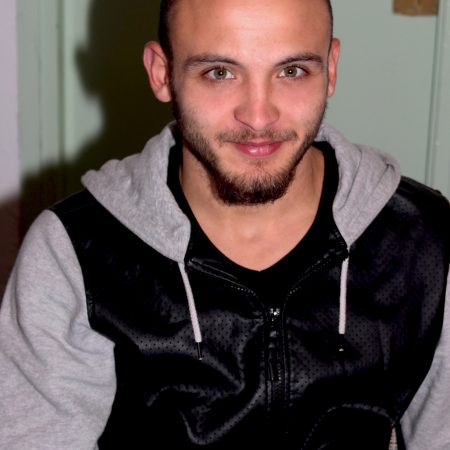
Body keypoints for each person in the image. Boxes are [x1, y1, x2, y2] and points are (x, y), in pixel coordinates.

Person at [0, 0, 449, 448]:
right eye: (219, 73)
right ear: (161, 73)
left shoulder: (421, 237)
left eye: (291, 71)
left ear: (330, 68)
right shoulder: (77, 252)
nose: (258, 117)